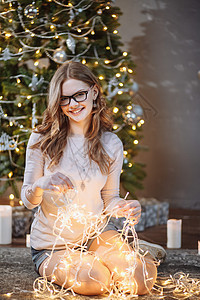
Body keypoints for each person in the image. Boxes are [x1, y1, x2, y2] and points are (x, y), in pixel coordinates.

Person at [21, 61, 158, 296]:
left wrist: (124, 207)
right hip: (54, 245)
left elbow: (109, 199)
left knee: (140, 279)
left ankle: (120, 255)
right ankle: (101, 263)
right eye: (64, 98)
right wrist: (41, 185)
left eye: (79, 94)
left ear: (94, 91)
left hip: (97, 233)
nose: (73, 104)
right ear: (57, 101)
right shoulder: (40, 140)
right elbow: (28, 201)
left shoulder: (111, 143)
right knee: (95, 281)